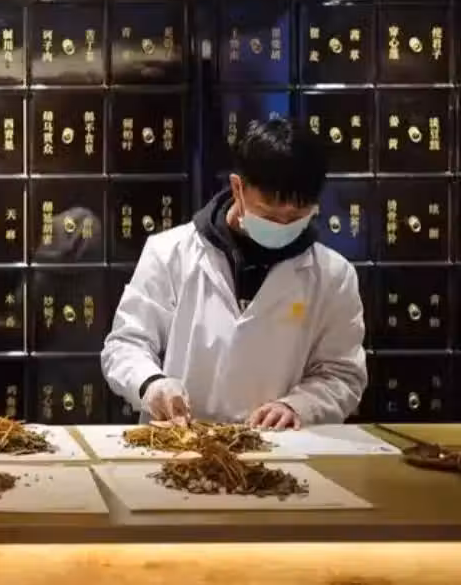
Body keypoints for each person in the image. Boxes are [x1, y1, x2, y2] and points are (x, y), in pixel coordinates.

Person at [100, 119, 367, 429]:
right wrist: (151, 384)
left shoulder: (333, 276)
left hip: (281, 446)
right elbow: (126, 344)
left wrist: (299, 406)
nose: (282, 227)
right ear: (238, 187)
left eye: (296, 217)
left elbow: (342, 374)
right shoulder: (170, 252)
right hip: (179, 440)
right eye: (269, 214)